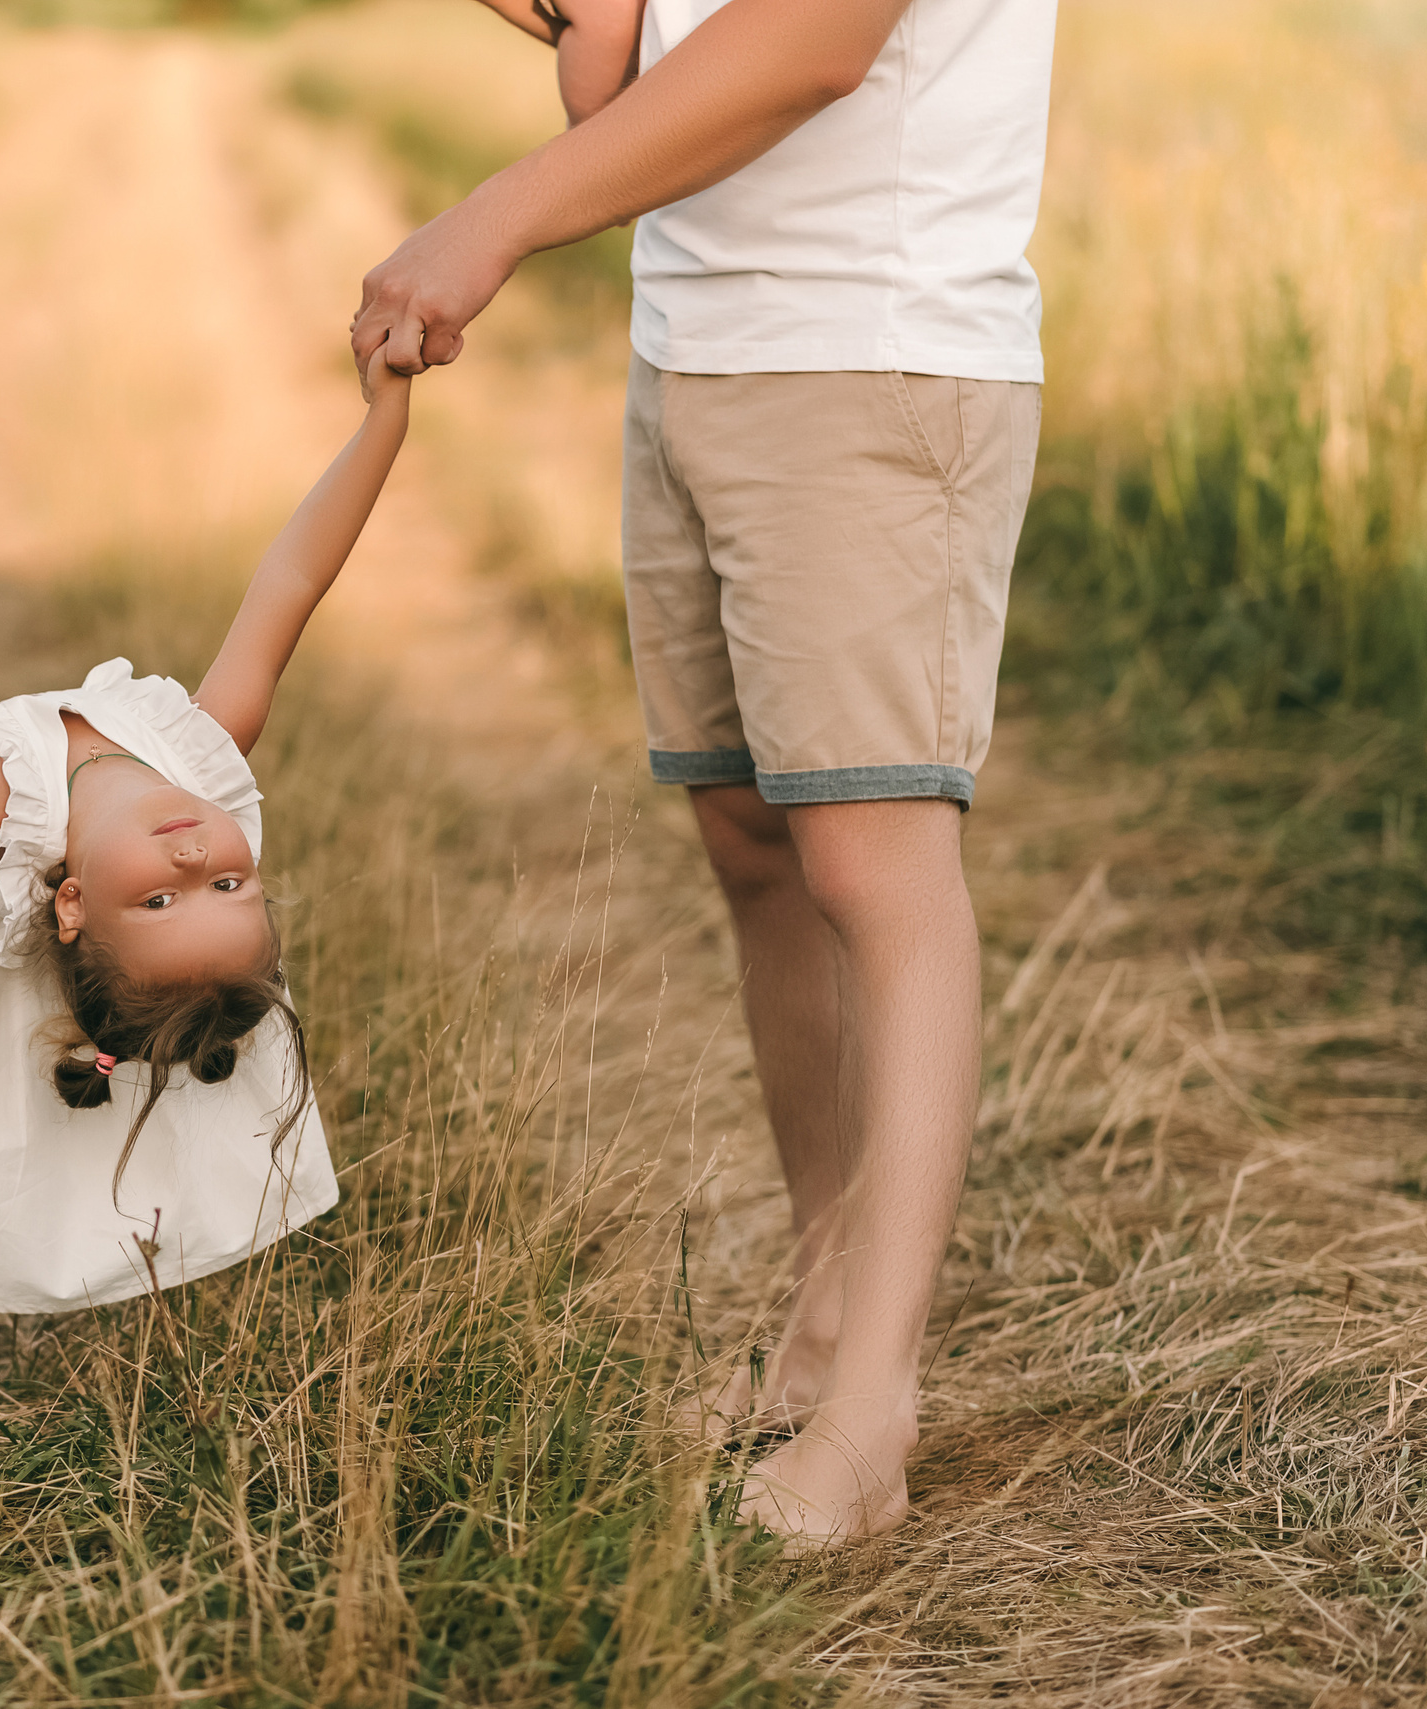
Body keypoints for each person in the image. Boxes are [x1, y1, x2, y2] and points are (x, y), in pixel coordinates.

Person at [351, 0, 1054, 1545]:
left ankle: (872, 1412)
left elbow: (811, 43)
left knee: (874, 859)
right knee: (752, 838)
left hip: (872, 351)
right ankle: (820, 1325)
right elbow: (620, 87)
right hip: (697, 346)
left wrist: (489, 222)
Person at [0, 349, 414, 1399]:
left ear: (69, 898)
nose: (195, 858)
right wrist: (386, 418)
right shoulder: (205, 752)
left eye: (160, 898)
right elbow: (294, 578)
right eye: (228, 886)